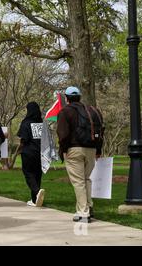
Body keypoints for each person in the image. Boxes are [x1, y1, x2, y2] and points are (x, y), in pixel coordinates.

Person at [57, 86, 104, 223]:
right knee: (86, 179)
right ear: (79, 97)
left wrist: (64, 150)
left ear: (66, 98)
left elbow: (63, 134)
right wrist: (98, 150)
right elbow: (100, 131)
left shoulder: (65, 112)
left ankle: (83, 213)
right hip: (91, 149)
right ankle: (88, 207)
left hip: (74, 150)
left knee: (78, 181)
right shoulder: (92, 110)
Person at [17, 102, 45, 207]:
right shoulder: (42, 123)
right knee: (37, 175)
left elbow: (24, 139)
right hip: (40, 153)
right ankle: (35, 200)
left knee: (28, 173)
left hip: (29, 152)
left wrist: (20, 148)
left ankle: (37, 192)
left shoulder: (26, 123)